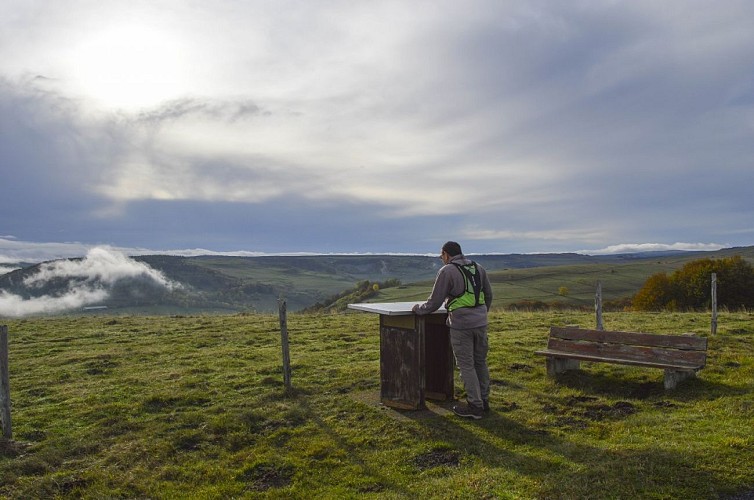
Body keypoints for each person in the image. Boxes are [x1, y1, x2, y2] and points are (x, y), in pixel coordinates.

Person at [413, 241, 493, 419]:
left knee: (466, 365)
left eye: (441, 255)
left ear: (446, 254)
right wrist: (481, 314)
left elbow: (434, 302)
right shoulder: (478, 267)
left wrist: (419, 309)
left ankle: (475, 406)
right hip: (481, 323)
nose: (442, 259)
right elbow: (488, 295)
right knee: (480, 362)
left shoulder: (447, 271)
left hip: (461, 325)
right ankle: (484, 401)